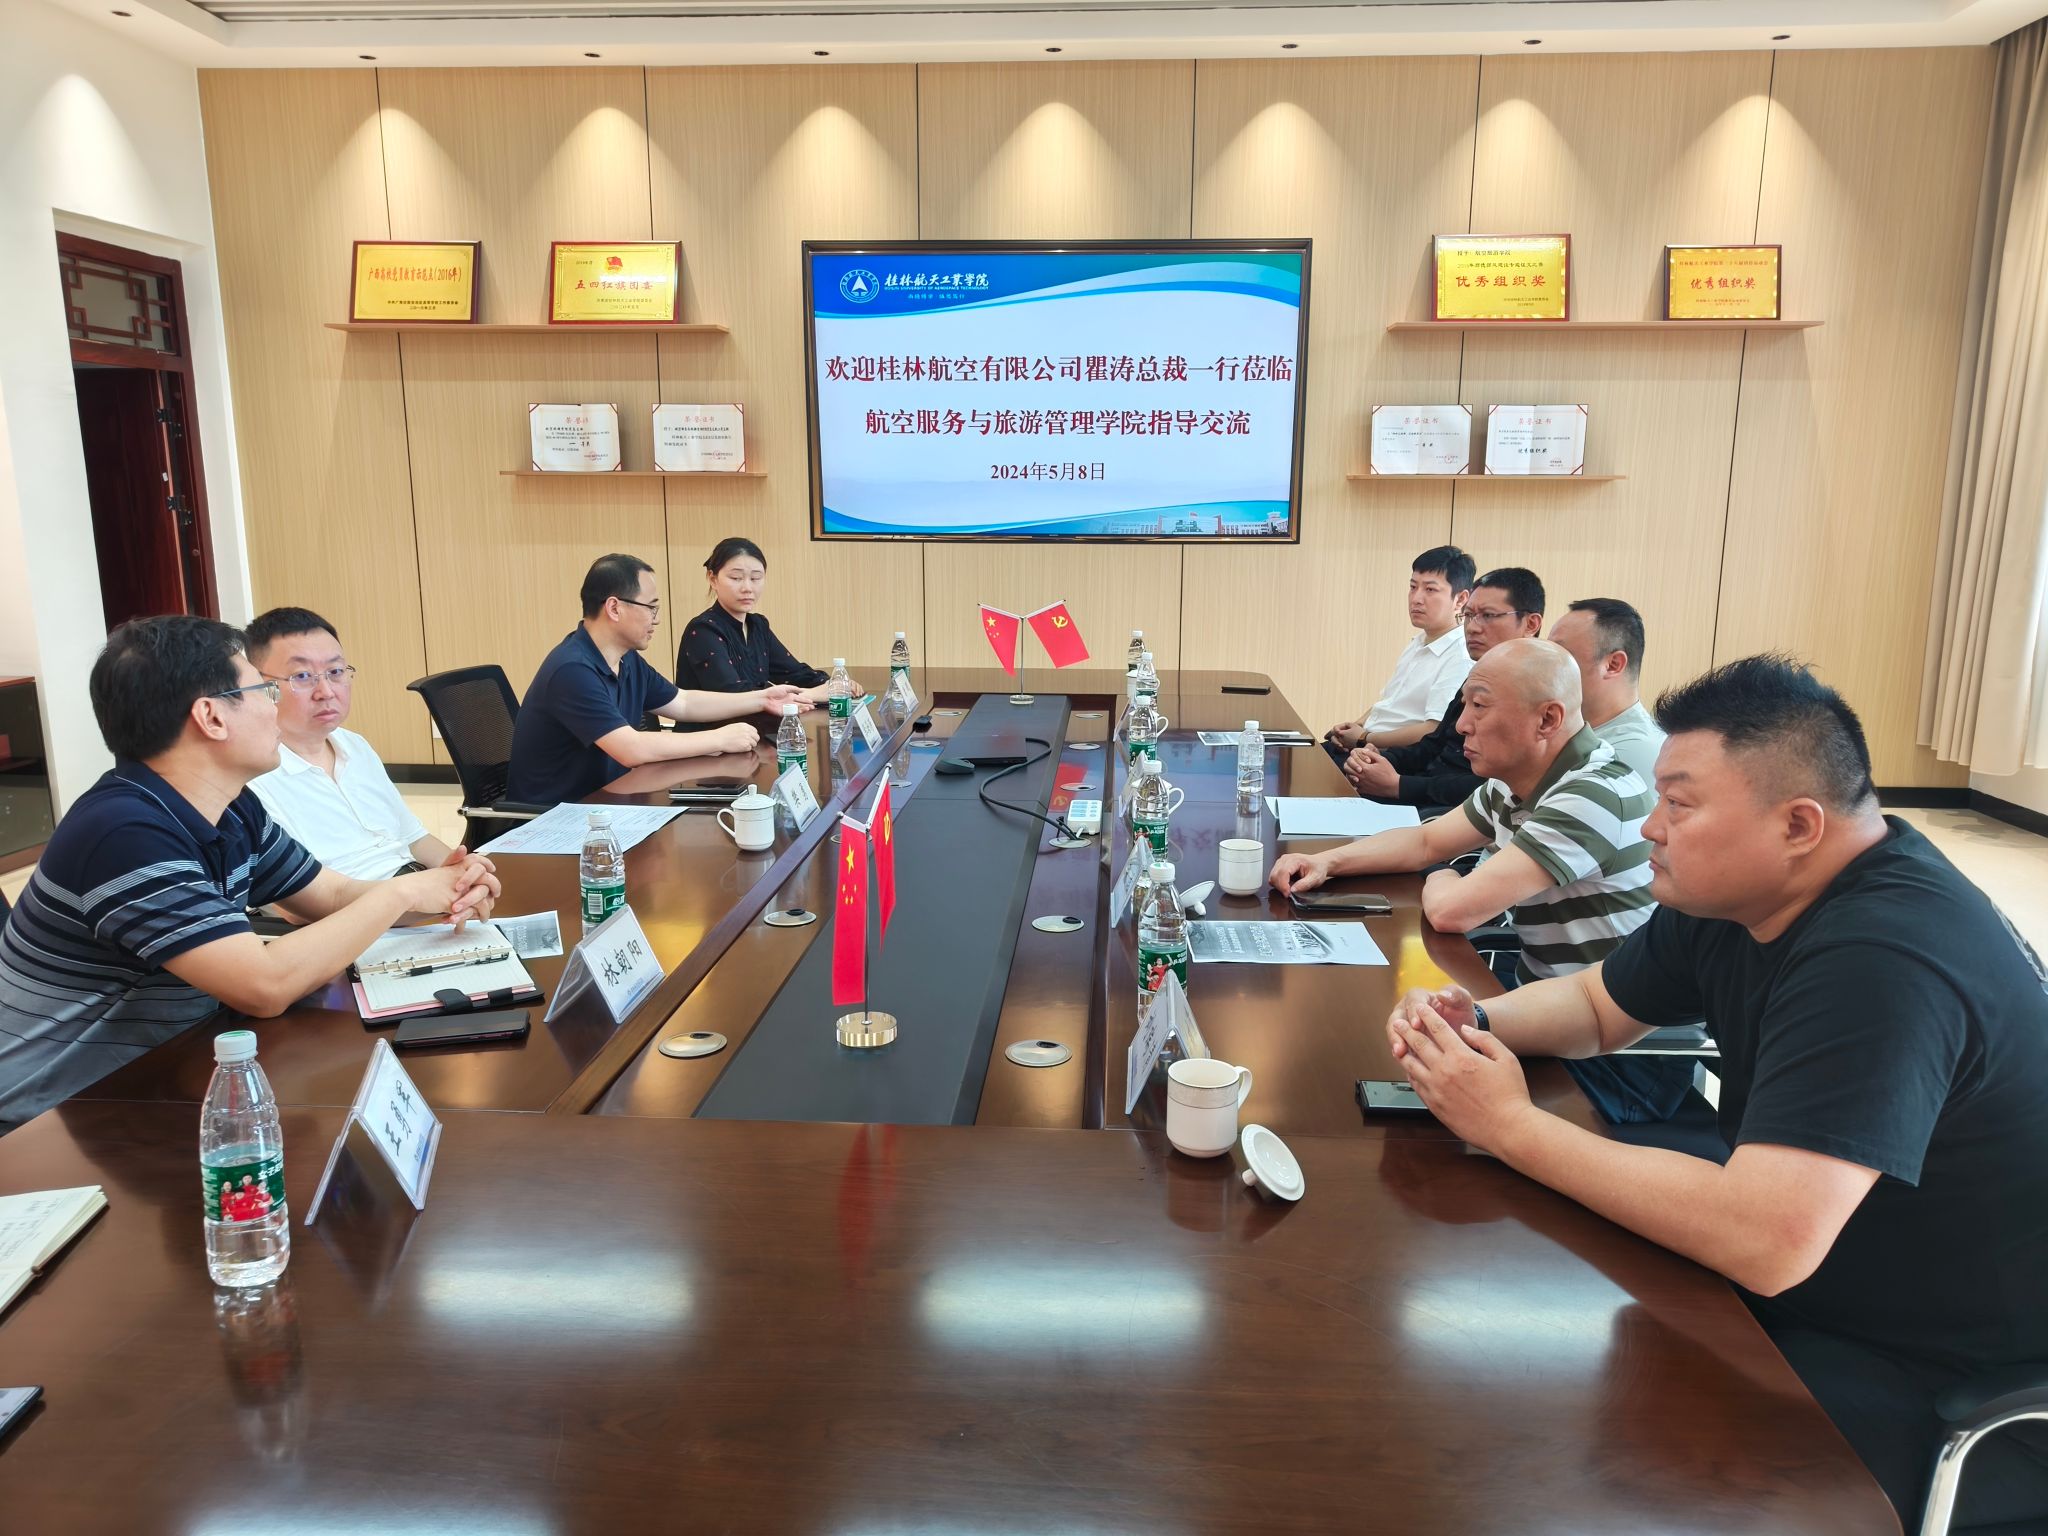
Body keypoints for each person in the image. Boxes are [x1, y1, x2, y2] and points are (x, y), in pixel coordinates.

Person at [1383, 656, 2048, 1531]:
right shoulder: (1740, 894)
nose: (1651, 827)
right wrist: (1473, 1023)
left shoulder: (1885, 957)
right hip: (1816, 1291)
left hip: (1945, 1375)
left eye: (1680, 804)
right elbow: (1597, 1007)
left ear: (1798, 824)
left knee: (1555, 1462)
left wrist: (1508, 1124)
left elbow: (1766, 1239)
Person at [0, 617, 502, 1133]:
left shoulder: (233, 806)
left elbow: (331, 894)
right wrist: (401, 892)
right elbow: (264, 986)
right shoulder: (123, 834)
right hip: (52, 1118)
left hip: (171, 1069)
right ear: (212, 717)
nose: (274, 707)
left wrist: (443, 889)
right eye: (263, 690)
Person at [1273, 638, 1654, 980]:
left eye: (1480, 706)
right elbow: (1426, 841)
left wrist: (1441, 872)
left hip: (1602, 1025)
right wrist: (1326, 861)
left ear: (1547, 719)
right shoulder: (1518, 777)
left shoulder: (1589, 797)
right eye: (1465, 704)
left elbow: (1451, 911)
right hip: (1544, 992)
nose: (1462, 725)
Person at [507, 554, 808, 805]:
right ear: (614, 608)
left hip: (609, 801)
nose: (657, 618)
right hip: (558, 818)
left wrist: (761, 699)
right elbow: (631, 748)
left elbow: (683, 702)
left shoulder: (626, 659)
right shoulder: (572, 670)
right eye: (651, 607)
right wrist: (719, 739)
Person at [244, 607, 464, 880]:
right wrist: (421, 892)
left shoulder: (354, 744)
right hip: (371, 902)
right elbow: (300, 897)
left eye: (335, 671)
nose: (326, 692)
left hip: (416, 886)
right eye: (302, 676)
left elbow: (415, 839)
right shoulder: (254, 778)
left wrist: (463, 874)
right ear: (261, 686)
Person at [1341, 567, 1544, 810]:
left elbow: (1493, 786)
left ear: (1531, 624)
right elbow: (1433, 744)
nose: (1473, 627)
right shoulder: (1479, 675)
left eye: (1488, 615)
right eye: (1468, 615)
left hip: (1455, 810)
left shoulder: (1534, 693)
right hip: (1425, 790)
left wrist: (1399, 785)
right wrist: (1378, 759)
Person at [676, 537, 866, 717]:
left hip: (756, 729)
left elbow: (793, 672)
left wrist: (832, 684)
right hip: (713, 735)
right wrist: (811, 694)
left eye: (756, 578)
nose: (747, 588)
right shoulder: (703, 630)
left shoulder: (758, 625)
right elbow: (733, 694)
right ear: (713, 579)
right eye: (736, 578)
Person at [1550, 597, 1664, 786]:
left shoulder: (1632, 752)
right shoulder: (1571, 732)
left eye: (1562, 654)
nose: (1547, 665)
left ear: (1613, 665)